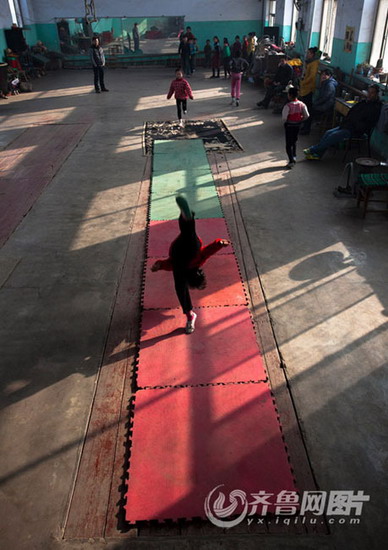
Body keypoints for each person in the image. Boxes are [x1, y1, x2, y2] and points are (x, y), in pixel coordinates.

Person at [151, 196, 230, 334]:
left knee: (188, 233)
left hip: (188, 246)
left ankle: (186, 216)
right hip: (179, 249)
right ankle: (186, 216)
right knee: (188, 234)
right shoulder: (178, 269)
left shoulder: (195, 263)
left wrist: (220, 243)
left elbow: (209, 251)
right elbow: (166, 265)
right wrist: (158, 266)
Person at [304, 84, 382, 160]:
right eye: (369, 92)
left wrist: (352, 124)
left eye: (372, 93)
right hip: (348, 125)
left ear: (377, 94)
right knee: (328, 132)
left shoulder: (375, 107)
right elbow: (352, 113)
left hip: (356, 130)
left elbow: (367, 123)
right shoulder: (364, 103)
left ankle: (313, 150)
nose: (369, 95)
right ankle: (318, 154)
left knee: (333, 135)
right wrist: (347, 122)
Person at [300, 68, 338, 134]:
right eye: (322, 74)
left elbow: (324, 98)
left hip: (326, 106)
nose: (323, 76)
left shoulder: (329, 85)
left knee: (309, 111)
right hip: (323, 104)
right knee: (307, 108)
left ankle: (306, 130)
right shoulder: (325, 83)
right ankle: (304, 127)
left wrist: (315, 104)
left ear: (330, 76)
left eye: (326, 75)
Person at [282, 87, 309, 169]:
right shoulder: (302, 104)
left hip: (289, 126)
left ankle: (291, 161)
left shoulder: (288, 106)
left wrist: (286, 123)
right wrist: (300, 120)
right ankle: (294, 157)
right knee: (294, 141)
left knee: (288, 144)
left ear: (289, 95)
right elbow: (307, 115)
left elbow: (284, 118)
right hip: (297, 126)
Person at [299, 46, 321, 115]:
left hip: (309, 88)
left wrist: (303, 83)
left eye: (308, 53)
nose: (307, 54)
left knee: (307, 107)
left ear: (312, 54)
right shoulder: (310, 62)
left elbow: (312, 76)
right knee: (304, 105)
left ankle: (307, 122)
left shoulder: (314, 64)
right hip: (306, 86)